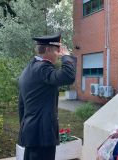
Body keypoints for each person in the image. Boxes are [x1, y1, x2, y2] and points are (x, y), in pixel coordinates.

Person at [18, 32, 76, 160]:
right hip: (42, 134)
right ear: (48, 50)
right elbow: (68, 77)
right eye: (57, 52)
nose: (58, 56)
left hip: (31, 131)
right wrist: (67, 57)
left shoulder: (28, 69)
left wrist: (25, 127)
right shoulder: (43, 68)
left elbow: (21, 106)